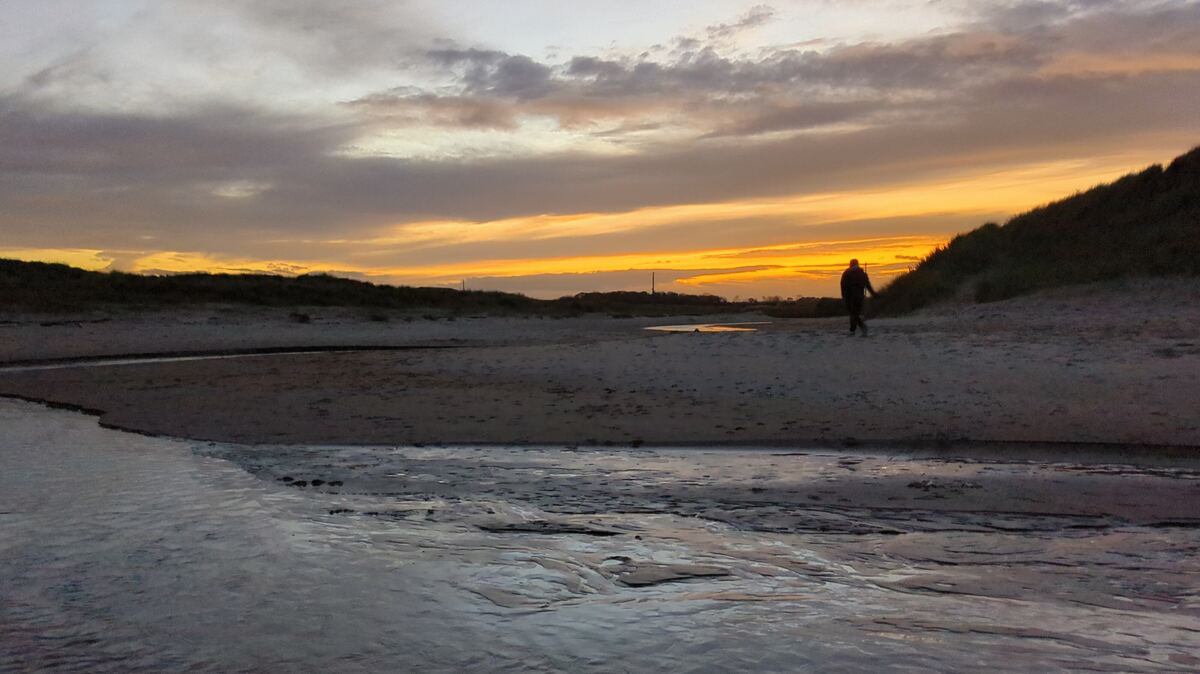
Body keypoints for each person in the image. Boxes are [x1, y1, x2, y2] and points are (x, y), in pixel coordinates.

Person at [840, 259, 876, 337]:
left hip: (849, 296)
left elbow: (842, 284)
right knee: (855, 314)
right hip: (859, 297)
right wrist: (873, 294)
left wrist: (843, 295)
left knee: (853, 314)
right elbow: (868, 285)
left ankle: (855, 330)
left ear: (850, 264)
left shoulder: (846, 273)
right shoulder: (862, 274)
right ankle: (856, 329)